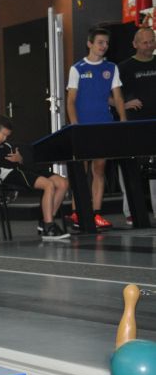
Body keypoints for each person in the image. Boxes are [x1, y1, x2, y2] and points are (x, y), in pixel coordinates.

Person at [65, 26, 126, 230]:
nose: (104, 46)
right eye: (100, 42)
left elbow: (118, 97)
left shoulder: (111, 68)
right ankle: (77, 212)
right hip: (83, 128)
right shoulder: (77, 68)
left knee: (99, 169)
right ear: (89, 44)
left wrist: (123, 122)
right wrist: (75, 125)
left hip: (104, 126)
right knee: (81, 172)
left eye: (106, 43)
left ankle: (96, 213)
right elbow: (71, 101)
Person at [0, 115, 70, 240]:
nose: (4, 138)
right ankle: (49, 227)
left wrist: (20, 159)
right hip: (8, 175)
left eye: (7, 136)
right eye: (3, 135)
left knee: (63, 183)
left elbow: (20, 160)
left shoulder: (6, 144)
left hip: (22, 169)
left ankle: (46, 221)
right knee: (49, 185)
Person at [117, 26, 156, 225]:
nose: (149, 45)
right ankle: (130, 211)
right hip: (134, 125)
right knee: (130, 167)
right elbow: (110, 96)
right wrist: (124, 104)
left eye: (152, 41)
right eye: (145, 42)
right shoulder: (124, 68)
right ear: (135, 44)